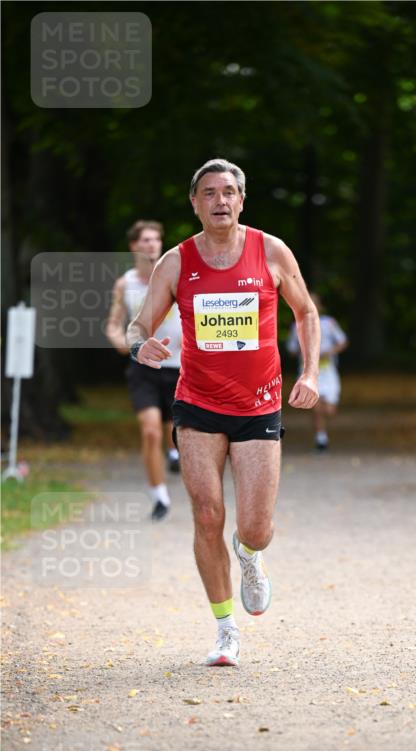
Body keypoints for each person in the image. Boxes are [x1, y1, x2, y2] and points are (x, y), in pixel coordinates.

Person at [124, 158, 320, 667]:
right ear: (195, 203)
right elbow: (138, 325)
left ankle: (250, 554)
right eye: (209, 193)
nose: (220, 200)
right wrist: (139, 346)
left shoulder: (270, 251)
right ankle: (225, 629)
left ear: (242, 200)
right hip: (198, 404)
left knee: (255, 528)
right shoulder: (176, 262)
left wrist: (310, 373)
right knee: (207, 514)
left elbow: (306, 311)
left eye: (229, 191)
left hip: (259, 405)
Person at [105, 220, 183, 520]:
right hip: (143, 368)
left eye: (155, 240)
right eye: (145, 240)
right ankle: (160, 496)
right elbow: (114, 324)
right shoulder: (125, 284)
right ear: (134, 246)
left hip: (178, 366)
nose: (151, 244)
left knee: (177, 431)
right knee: (150, 431)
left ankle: (174, 453)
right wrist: (120, 340)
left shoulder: (176, 275)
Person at [287, 293, 348, 451]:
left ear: (319, 306)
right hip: (307, 371)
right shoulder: (297, 325)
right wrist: (305, 352)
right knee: (315, 405)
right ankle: (321, 437)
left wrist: (329, 352)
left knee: (329, 410)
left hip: (327, 371)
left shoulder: (329, 323)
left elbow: (342, 341)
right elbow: (291, 349)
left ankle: (322, 429)